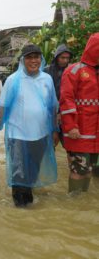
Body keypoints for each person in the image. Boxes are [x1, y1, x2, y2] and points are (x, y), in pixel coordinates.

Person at [0, 44, 59, 207]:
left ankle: (28, 206)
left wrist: (55, 130)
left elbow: (52, 107)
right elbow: (3, 107)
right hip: (19, 136)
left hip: (41, 135)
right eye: (29, 57)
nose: (33, 60)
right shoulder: (14, 80)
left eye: (36, 57)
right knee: (19, 174)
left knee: (33, 172)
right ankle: (20, 211)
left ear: (41, 59)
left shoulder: (47, 79)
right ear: (23, 60)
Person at [59, 33, 99, 193]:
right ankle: (73, 202)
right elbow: (66, 100)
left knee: (89, 169)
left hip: (95, 135)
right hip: (78, 132)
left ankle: (82, 202)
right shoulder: (74, 70)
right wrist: (70, 127)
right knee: (78, 170)